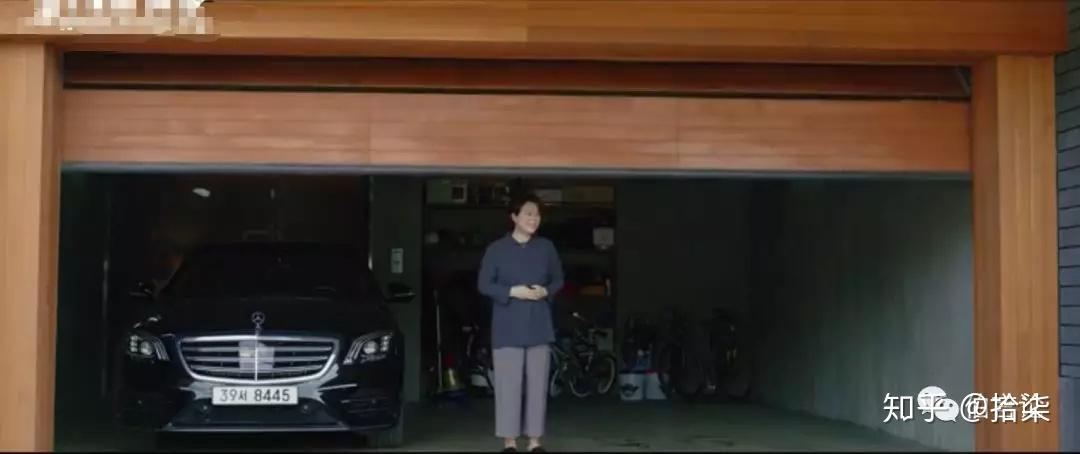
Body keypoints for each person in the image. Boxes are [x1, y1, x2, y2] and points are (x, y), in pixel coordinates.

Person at [477, 193, 564, 453]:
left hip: (539, 325)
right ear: (514, 217)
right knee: (508, 385)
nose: (533, 219)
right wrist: (512, 292)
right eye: (528, 214)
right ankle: (510, 442)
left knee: (538, 385)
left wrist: (546, 291)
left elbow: (558, 279)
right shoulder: (496, 249)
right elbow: (484, 284)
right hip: (507, 327)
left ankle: (535, 441)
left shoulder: (546, 247)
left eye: (537, 215)